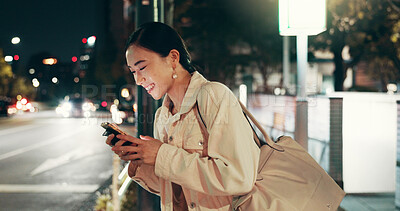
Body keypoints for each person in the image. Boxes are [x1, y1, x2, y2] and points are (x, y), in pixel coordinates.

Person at [106, 22, 259, 211]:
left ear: (172, 58)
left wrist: (161, 155)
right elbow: (168, 188)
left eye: (142, 67)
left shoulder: (213, 96)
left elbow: (239, 177)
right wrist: (140, 158)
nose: (138, 80)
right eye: (133, 72)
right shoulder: (162, 115)